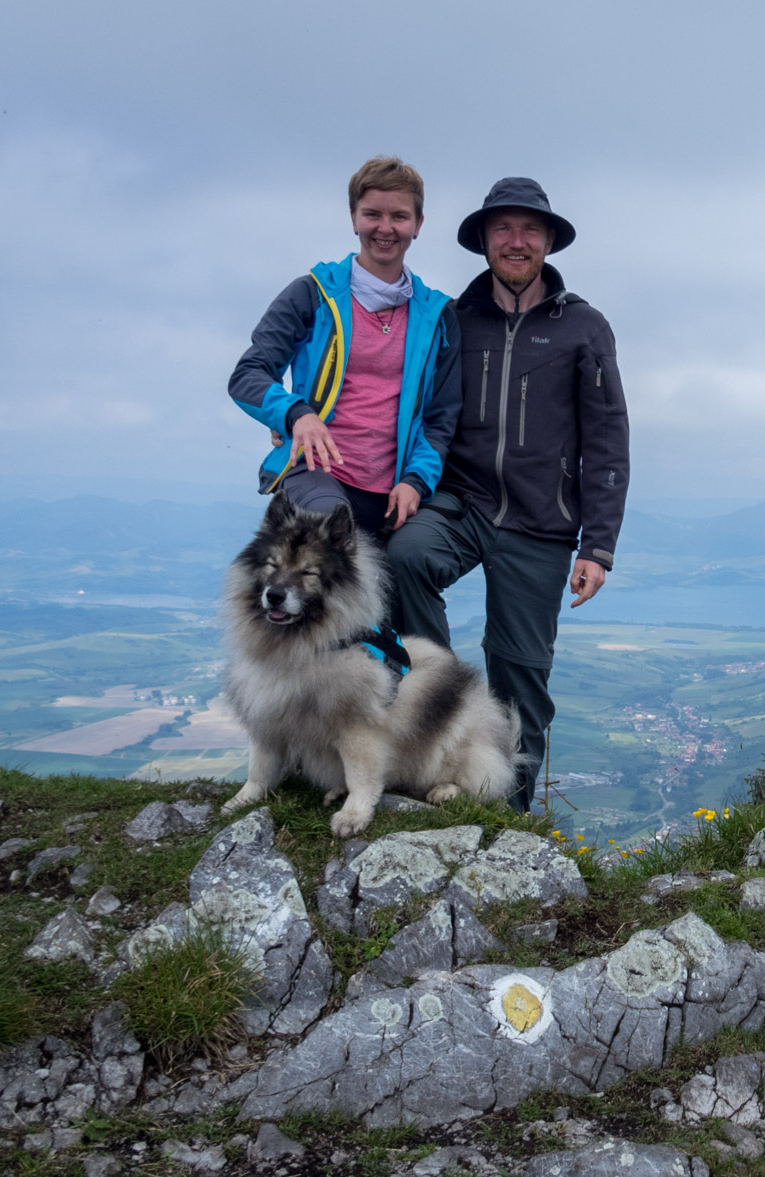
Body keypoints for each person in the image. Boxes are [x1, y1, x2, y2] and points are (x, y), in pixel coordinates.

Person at [387, 177, 630, 811]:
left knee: (522, 677)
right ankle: (438, 702)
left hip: (540, 523)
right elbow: (423, 409)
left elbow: (607, 439)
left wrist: (597, 547)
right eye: (503, 229)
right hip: (461, 501)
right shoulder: (454, 319)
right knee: (405, 559)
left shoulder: (583, 327)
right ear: (484, 241)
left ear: (549, 241)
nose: (515, 241)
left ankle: (511, 816)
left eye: (529, 230)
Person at [229, 156, 460, 537]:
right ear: (353, 218)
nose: (385, 228)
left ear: (418, 225)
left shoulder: (438, 316)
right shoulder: (312, 294)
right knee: (330, 541)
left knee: (410, 582)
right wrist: (296, 414)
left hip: (394, 489)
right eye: (372, 214)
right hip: (315, 474)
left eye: (399, 217)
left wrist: (416, 481)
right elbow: (247, 376)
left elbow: (441, 419)